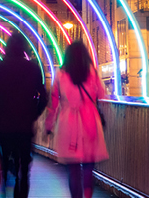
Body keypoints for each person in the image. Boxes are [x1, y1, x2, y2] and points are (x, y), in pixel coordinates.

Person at [0, 33, 48, 198]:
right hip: (25, 124)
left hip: (4, 123)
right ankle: (21, 191)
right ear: (24, 48)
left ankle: (5, 187)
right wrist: (34, 112)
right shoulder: (32, 68)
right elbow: (43, 96)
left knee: (5, 160)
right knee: (24, 166)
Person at [45, 41, 109, 198]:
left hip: (68, 123)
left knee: (73, 169)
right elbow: (101, 94)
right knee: (88, 166)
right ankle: (88, 195)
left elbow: (54, 101)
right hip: (89, 121)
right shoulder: (92, 72)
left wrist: (49, 125)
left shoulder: (60, 74)